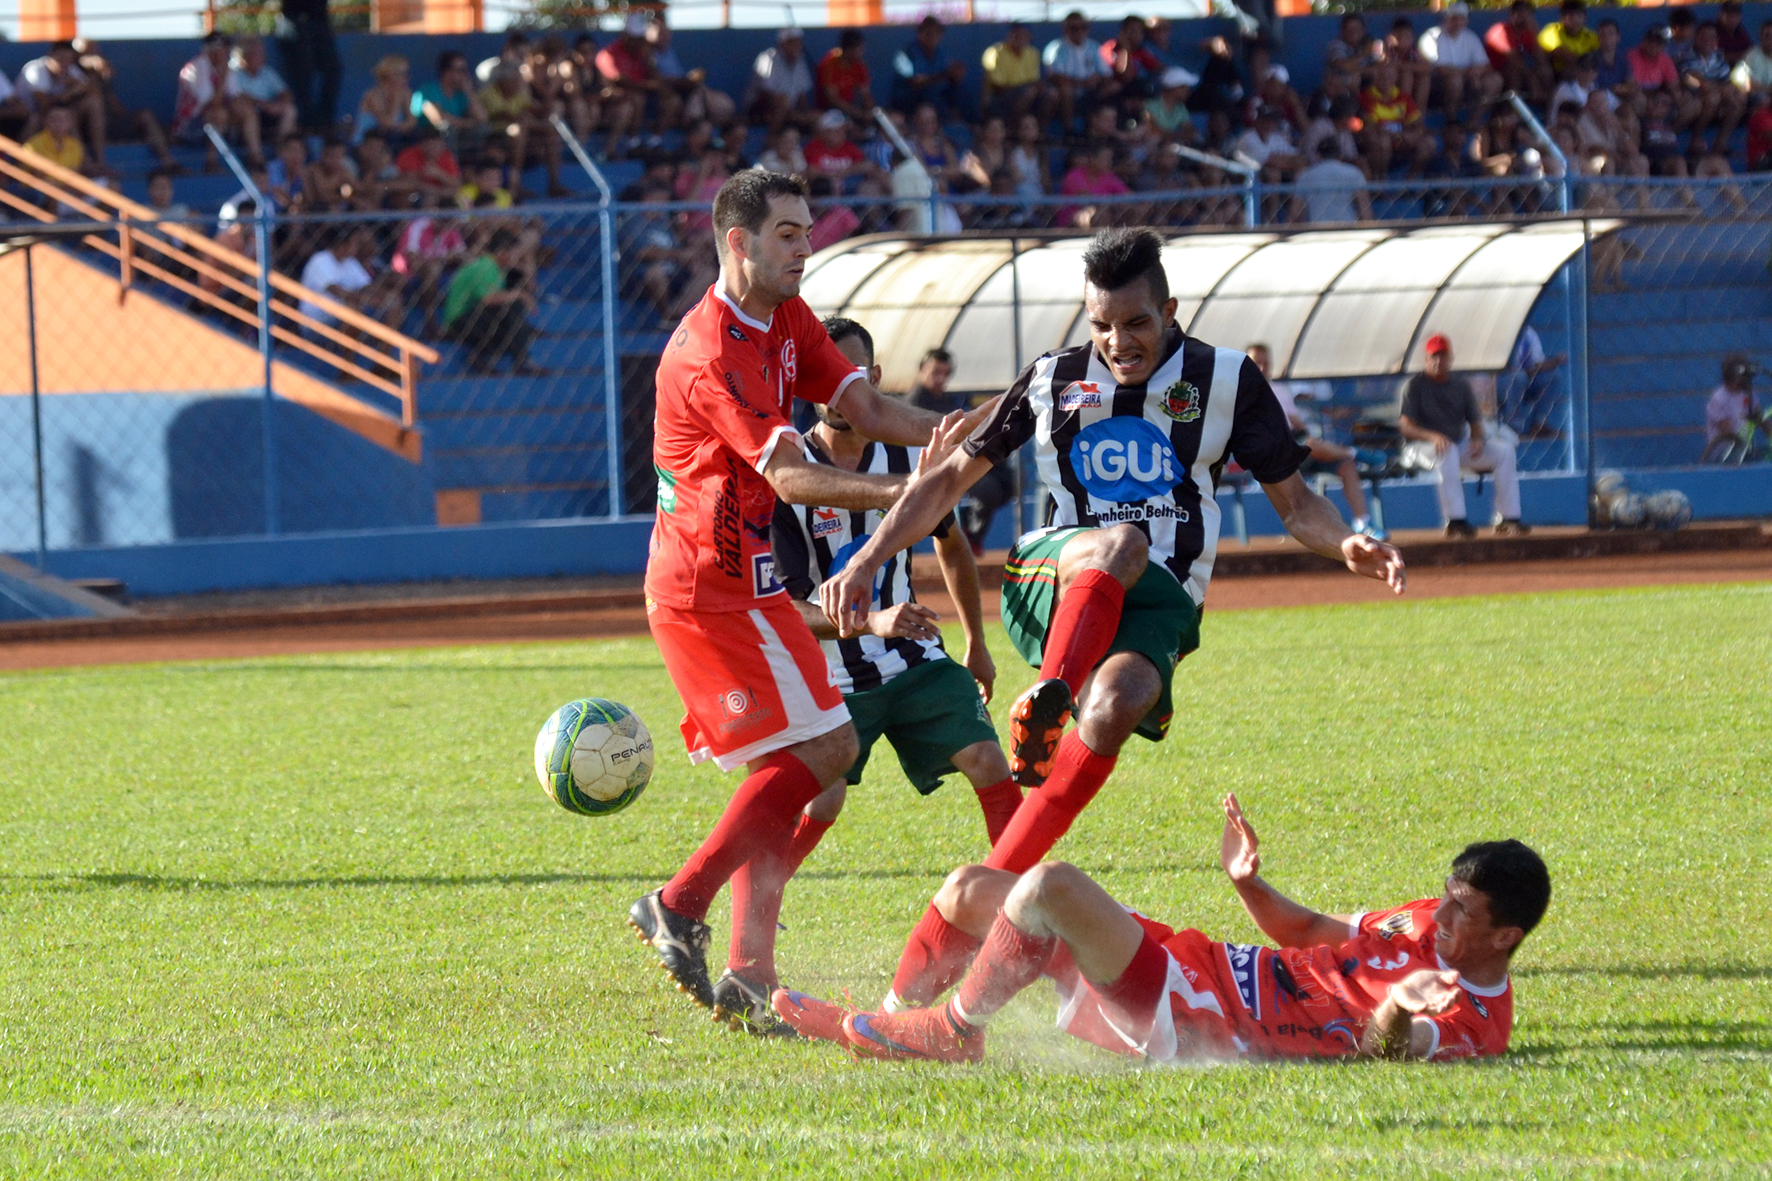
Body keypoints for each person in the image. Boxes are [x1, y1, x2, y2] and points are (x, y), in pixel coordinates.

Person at [817, 229, 1407, 1013]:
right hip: (1053, 576)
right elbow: (943, 483)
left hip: (1160, 595)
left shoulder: (1226, 380)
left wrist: (1351, 542)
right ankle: (1048, 695)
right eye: (1100, 324)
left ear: (1169, 309)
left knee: (1120, 702)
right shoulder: (1053, 380)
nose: (1115, 341)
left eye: (1133, 323)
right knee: (1117, 543)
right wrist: (864, 561)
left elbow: (1298, 506)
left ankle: (947, 940)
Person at [626, 168, 990, 1029]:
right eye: (789, 232)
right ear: (738, 243)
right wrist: (914, 494)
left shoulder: (786, 319)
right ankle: (678, 903)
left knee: (804, 773)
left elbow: (862, 403)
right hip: (703, 592)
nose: (807, 245)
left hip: (748, 586)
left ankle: (749, 971)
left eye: (808, 229)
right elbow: (789, 475)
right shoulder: (706, 350)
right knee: (822, 752)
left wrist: (981, 426)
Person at [776, 795, 1550, 1067]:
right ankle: (891, 1022)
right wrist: (1249, 882)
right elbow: (1308, 927)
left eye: (1461, 912)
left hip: (1206, 1018)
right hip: (1203, 964)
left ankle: (949, 1029)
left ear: (1506, 936)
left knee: (1052, 885)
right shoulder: (1422, 922)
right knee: (971, 889)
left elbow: (1389, 1050)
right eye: (1444, 899)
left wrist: (1398, 1007)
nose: (1439, 917)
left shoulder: (1476, 1021)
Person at [735, 316, 1019, 1029]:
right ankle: (749, 951)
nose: (840, 390)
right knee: (818, 801)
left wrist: (977, 642)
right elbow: (790, 607)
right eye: (828, 379)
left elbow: (952, 546)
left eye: (852, 377)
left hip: (917, 658)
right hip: (830, 670)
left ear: (871, 384)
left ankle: (1025, 916)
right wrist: (875, 619)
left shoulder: (908, 461)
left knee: (989, 758)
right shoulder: (791, 474)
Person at [1400, 334, 1526, 538]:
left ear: (1450, 358)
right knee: (1446, 449)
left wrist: (1477, 439)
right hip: (1418, 448)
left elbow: (1475, 421)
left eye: (1443, 356)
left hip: (1455, 444)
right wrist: (1432, 437)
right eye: (1434, 356)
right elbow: (1406, 427)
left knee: (1504, 451)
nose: (1438, 361)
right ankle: (1455, 520)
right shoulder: (1415, 386)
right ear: (1426, 359)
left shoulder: (1460, 385)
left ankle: (1507, 517)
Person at [1248, 344, 1379, 538]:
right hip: (1272, 451)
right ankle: (1354, 452)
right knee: (1309, 444)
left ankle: (1363, 523)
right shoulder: (1242, 392)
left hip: (1296, 445)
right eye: (1256, 363)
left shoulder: (1279, 389)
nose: (1261, 367)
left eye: (1265, 363)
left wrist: (1308, 435)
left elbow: (1296, 422)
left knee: (1345, 465)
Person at [443, 227, 543, 376]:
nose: (516, 256)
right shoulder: (486, 267)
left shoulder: (492, 266)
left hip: (472, 317)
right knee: (512, 305)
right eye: (513, 252)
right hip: (461, 320)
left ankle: (479, 355)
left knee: (514, 323)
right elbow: (489, 299)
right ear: (502, 252)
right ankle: (522, 362)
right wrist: (521, 295)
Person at [15, 41, 111, 171]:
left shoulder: (70, 69)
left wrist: (80, 86)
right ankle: (18, 162)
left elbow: (94, 92)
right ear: (50, 56)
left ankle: (99, 161)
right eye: (60, 59)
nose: (64, 64)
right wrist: (69, 93)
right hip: (27, 117)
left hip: (56, 113)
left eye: (68, 60)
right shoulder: (36, 70)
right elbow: (44, 104)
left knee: (92, 103)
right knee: (51, 118)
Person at [480, 61, 566, 198]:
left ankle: (554, 184)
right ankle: (515, 185)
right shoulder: (488, 94)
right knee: (520, 130)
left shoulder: (518, 94)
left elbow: (535, 109)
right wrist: (527, 119)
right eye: (515, 79)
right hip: (494, 137)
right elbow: (506, 116)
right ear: (504, 81)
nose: (518, 82)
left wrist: (549, 97)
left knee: (549, 131)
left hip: (521, 133)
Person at [173, 33, 243, 171]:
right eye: (224, 48)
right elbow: (211, 103)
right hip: (189, 127)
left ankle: (255, 158)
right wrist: (223, 77)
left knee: (245, 110)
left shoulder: (224, 68)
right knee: (218, 114)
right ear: (214, 50)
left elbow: (236, 97)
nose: (226, 52)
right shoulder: (194, 68)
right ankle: (211, 163)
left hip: (216, 124)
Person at [1419, 2, 1500, 120]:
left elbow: (1485, 64)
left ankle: (1474, 120)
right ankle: (1451, 120)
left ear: (1466, 21)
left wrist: (1476, 73)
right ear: (1446, 18)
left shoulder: (1470, 37)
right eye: (1454, 18)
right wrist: (1470, 74)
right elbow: (1442, 69)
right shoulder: (1433, 36)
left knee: (1495, 80)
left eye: (1461, 18)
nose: (1457, 22)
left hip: (1467, 80)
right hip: (1438, 84)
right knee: (1455, 81)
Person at [229, 35, 297, 167]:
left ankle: (281, 152)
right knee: (250, 114)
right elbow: (239, 97)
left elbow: (285, 93)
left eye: (261, 54)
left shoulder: (267, 72)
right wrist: (264, 105)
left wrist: (279, 105)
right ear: (244, 57)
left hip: (268, 115)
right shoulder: (234, 74)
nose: (261, 57)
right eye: (256, 54)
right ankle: (256, 157)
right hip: (244, 119)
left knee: (290, 110)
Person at [1043, 12, 1115, 133]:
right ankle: (1069, 130)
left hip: (1091, 90)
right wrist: (1081, 83)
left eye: (1083, 27)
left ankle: (1106, 132)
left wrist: (1097, 79)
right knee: (1065, 89)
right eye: (1074, 28)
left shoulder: (1094, 47)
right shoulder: (1057, 48)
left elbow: (1106, 73)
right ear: (1065, 29)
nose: (1079, 31)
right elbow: (1055, 76)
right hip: (1068, 92)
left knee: (1112, 87)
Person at [278, 0, 340, 132]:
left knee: (334, 69)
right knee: (304, 70)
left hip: (320, 21)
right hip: (295, 21)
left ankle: (326, 120)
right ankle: (306, 119)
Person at [891, 15, 967, 121]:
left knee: (959, 91)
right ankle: (940, 127)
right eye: (928, 33)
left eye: (937, 33)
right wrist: (945, 74)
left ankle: (966, 126)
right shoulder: (904, 54)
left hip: (933, 93)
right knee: (930, 94)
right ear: (920, 34)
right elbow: (915, 83)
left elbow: (948, 76)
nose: (932, 37)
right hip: (907, 98)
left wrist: (956, 75)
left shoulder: (940, 54)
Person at [411, 52, 488, 150]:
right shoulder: (428, 90)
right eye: (461, 70)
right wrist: (466, 124)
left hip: (459, 134)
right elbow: (437, 117)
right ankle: (451, 164)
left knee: (482, 129)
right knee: (447, 130)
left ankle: (474, 164)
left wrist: (469, 92)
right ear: (447, 71)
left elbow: (482, 118)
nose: (465, 75)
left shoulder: (462, 95)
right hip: (429, 135)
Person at [1485, 0, 1554, 107]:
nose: (1523, 16)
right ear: (1511, 14)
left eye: (1527, 13)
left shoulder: (1528, 32)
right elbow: (1513, 58)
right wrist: (1533, 80)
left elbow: (1541, 58)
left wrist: (1535, 33)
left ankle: (1549, 111)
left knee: (1545, 70)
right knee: (1514, 71)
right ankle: (1513, 111)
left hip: (1518, 69)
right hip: (1492, 71)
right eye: (1519, 13)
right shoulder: (1500, 30)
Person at [748, 27, 815, 133]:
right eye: (792, 43)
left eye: (798, 43)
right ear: (782, 44)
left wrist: (804, 114)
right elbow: (764, 94)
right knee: (783, 103)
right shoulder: (767, 58)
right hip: (759, 109)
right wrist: (788, 110)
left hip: (788, 110)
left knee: (817, 117)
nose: (796, 47)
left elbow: (802, 95)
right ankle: (770, 140)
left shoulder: (800, 60)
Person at [1296, 137, 1372, 224]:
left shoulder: (1305, 175)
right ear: (1340, 154)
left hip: (1318, 231)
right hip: (1348, 230)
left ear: (1319, 155)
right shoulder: (1354, 173)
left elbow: (1295, 213)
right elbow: (1365, 211)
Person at [981, 22, 1043, 122]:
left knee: (1051, 94)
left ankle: (1038, 131)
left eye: (1024, 35)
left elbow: (1034, 81)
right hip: (999, 98)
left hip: (1025, 93)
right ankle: (1013, 128)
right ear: (1009, 35)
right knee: (1029, 92)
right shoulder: (995, 52)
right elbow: (998, 88)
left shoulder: (1033, 53)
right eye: (1016, 35)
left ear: (1029, 37)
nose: (1020, 38)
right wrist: (1025, 88)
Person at [1703, 353, 1761, 460]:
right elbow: (1728, 433)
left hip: (1745, 448)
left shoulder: (1747, 392)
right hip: (1724, 452)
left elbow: (1760, 416)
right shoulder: (1719, 398)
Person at [355, 54, 418, 147]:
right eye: (402, 74)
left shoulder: (406, 93)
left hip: (389, 140)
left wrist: (400, 128)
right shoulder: (373, 95)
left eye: (407, 74)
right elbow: (387, 124)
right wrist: (396, 101)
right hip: (365, 143)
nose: (407, 78)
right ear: (389, 75)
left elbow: (412, 121)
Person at [817, 29, 875, 122]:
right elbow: (833, 100)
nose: (863, 52)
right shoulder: (829, 65)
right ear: (848, 50)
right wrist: (859, 114)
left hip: (852, 112)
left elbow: (865, 94)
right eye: (859, 49)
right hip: (829, 113)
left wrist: (872, 112)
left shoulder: (860, 65)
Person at [1539, 0, 1600, 81]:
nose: (1575, 21)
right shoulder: (1552, 30)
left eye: (1579, 16)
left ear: (1584, 18)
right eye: (1571, 17)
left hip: (1585, 71)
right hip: (1558, 72)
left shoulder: (1590, 35)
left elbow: (1599, 55)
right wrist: (1582, 63)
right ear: (1562, 18)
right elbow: (1559, 51)